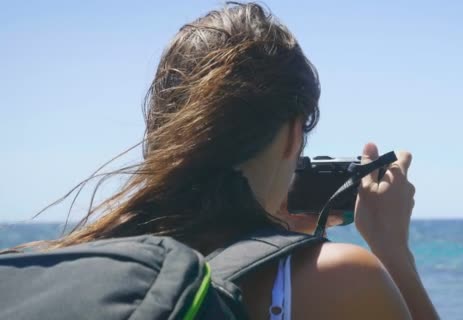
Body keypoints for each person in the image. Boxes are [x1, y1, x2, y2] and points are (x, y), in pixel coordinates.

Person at [19, 3, 438, 319]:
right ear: (294, 133)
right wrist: (392, 249)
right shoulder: (340, 278)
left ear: (161, 128)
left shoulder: (60, 269)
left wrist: (269, 237)